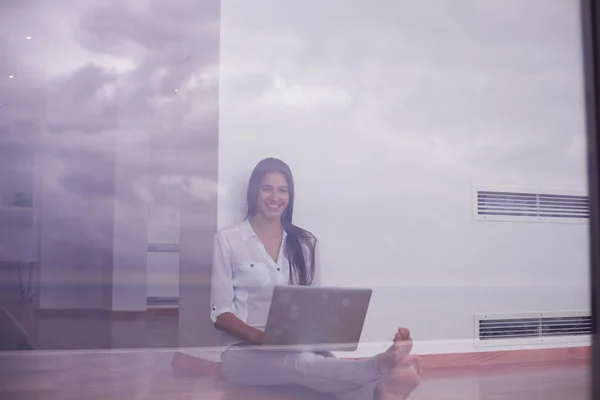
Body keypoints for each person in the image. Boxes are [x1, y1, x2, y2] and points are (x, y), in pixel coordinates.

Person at [210, 157, 421, 400]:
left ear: (290, 197)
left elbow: (316, 304)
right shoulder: (228, 240)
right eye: (267, 188)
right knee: (303, 364)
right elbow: (221, 313)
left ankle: (382, 393)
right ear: (253, 192)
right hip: (242, 353)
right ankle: (380, 367)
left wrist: (313, 336)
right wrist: (263, 339)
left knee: (318, 370)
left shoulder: (306, 244)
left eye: (283, 190)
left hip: (298, 347)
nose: (275, 197)